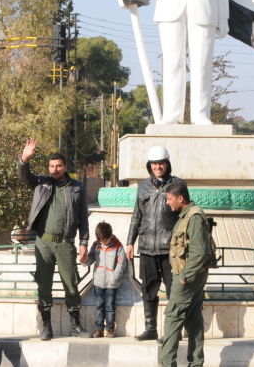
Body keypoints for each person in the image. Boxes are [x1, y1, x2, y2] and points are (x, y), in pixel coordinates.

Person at [16, 138, 90, 340]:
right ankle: (46, 327)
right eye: (51, 166)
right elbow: (24, 176)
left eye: (58, 166)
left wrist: (84, 243)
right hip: (44, 243)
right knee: (44, 284)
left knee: (71, 284)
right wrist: (24, 158)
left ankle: (75, 326)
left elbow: (83, 217)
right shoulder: (42, 183)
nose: (54, 169)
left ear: (65, 167)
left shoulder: (76, 187)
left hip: (66, 242)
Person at [126, 145, 183, 341]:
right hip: (147, 247)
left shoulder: (177, 185)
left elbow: (184, 215)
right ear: (149, 165)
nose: (158, 167)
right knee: (148, 289)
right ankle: (150, 328)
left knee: (172, 289)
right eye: (154, 164)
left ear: (167, 164)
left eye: (161, 163)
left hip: (170, 249)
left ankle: (172, 329)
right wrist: (130, 242)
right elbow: (137, 215)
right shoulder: (143, 186)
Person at [159, 183, 211, 367]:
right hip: (190, 275)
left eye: (169, 199)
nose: (167, 203)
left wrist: (184, 276)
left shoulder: (194, 217)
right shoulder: (186, 215)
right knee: (193, 318)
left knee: (172, 317)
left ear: (180, 199)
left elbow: (199, 252)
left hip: (188, 277)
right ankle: (196, 362)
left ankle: (166, 364)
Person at [86, 221, 126, 338]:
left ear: (110, 236)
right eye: (100, 240)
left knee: (110, 306)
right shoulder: (96, 245)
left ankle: (110, 328)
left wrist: (114, 277)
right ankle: (99, 329)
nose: (102, 242)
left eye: (104, 240)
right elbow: (90, 259)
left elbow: (121, 264)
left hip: (111, 283)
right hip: (98, 281)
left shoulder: (118, 246)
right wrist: (84, 260)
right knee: (99, 306)